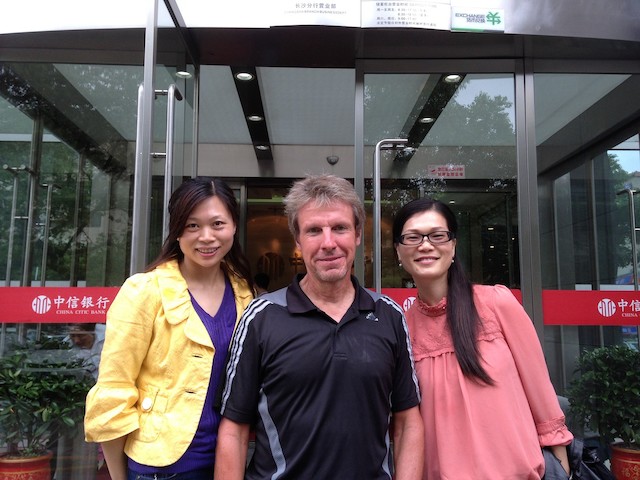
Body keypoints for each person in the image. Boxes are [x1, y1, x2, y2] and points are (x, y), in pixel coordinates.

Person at [215, 174, 424, 480]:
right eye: (314, 230)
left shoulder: (389, 316)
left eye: (339, 228)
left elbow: (407, 423)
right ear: (298, 240)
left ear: (357, 234)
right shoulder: (261, 317)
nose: (328, 243)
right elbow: (234, 430)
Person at [84, 177, 254, 480]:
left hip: (229, 462)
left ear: (233, 227)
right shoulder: (144, 291)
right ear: (176, 231)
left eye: (217, 224)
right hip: (160, 468)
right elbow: (114, 390)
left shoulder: (244, 293)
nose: (206, 237)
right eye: (192, 226)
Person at [392, 197, 573, 480]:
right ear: (398, 252)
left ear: (453, 246)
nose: (425, 245)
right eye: (413, 237)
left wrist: (561, 464)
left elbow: (539, 388)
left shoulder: (496, 303)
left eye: (437, 235)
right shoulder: (402, 329)